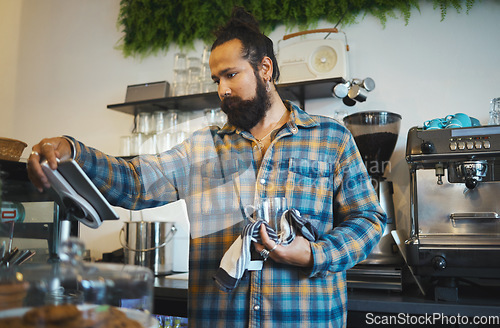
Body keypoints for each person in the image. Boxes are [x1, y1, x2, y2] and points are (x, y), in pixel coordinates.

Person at [27, 7, 386, 328]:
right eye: (216, 80)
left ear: (265, 69)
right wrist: (75, 153)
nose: (222, 90)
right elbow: (136, 182)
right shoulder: (203, 147)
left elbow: (368, 220)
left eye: (231, 75)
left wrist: (313, 253)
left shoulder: (330, 137)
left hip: (308, 318)